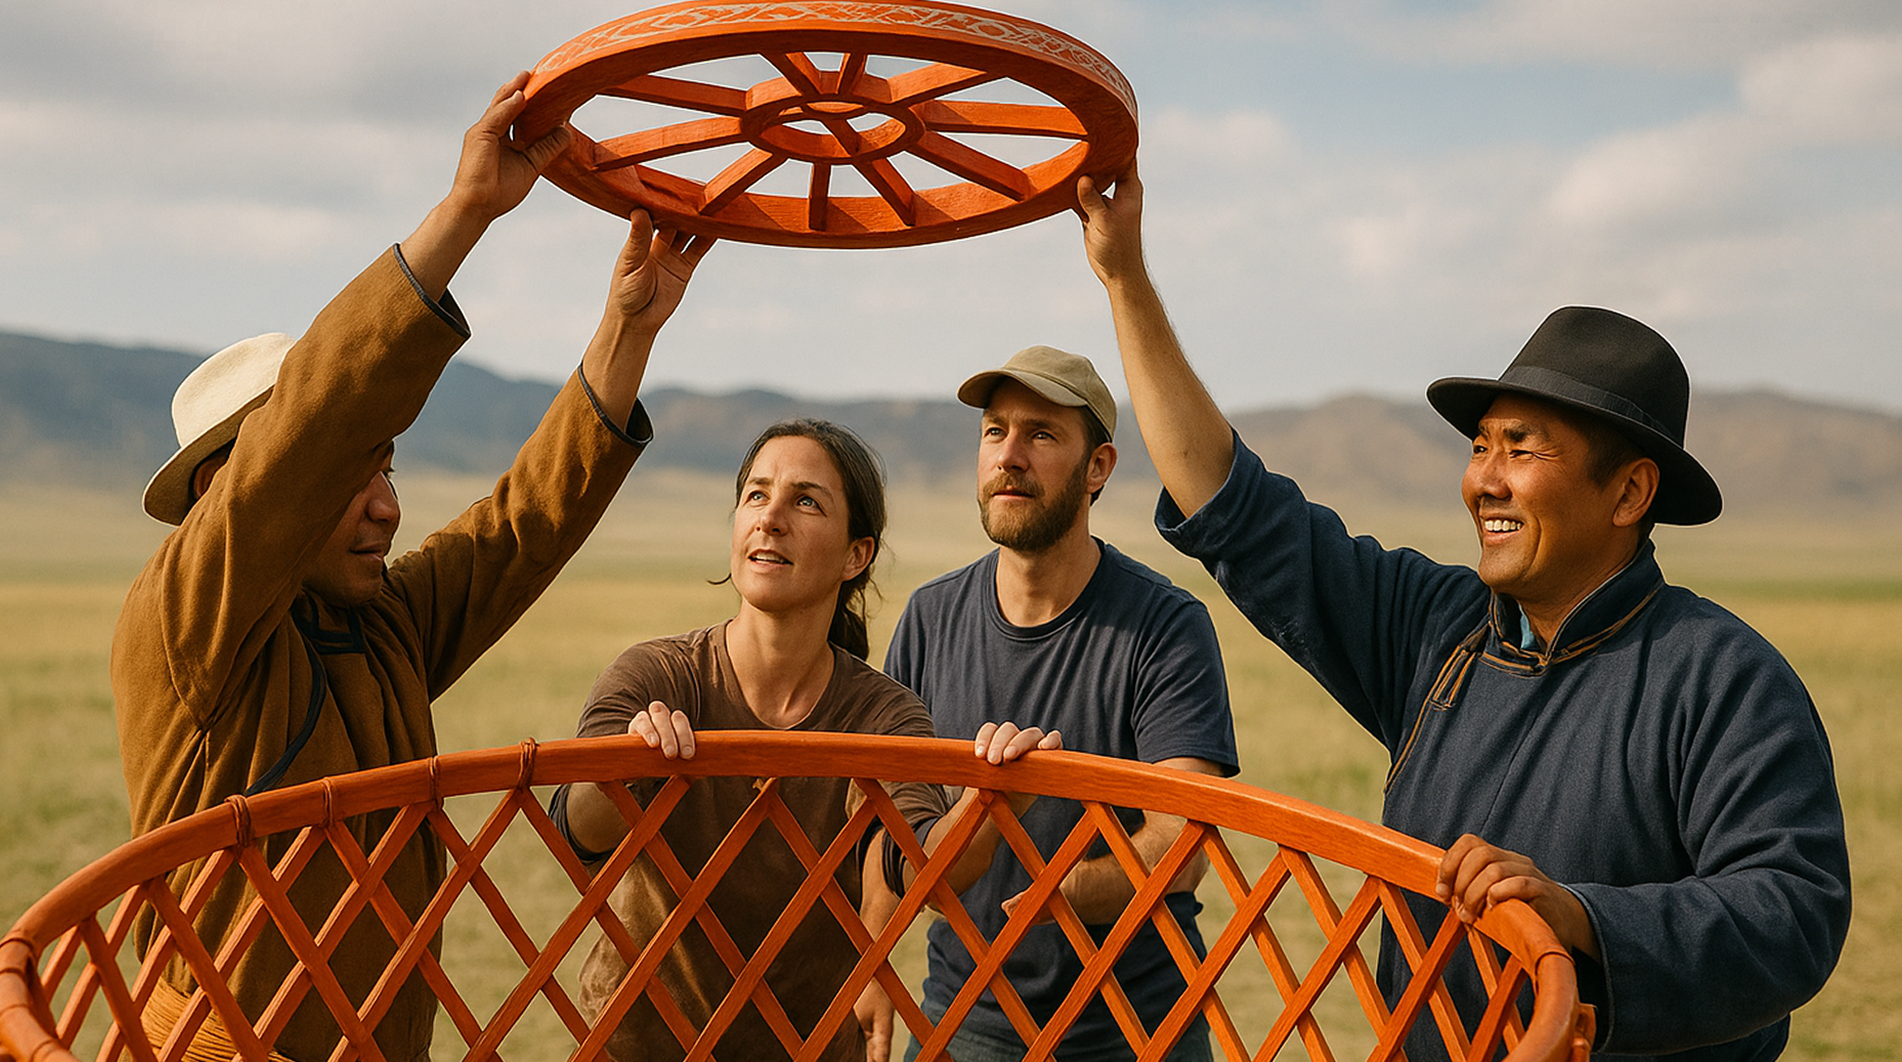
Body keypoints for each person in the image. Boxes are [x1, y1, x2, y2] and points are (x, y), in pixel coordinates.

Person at [1073, 163, 1850, 1060]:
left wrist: (1583, 917)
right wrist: (1126, 279)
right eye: (1481, 446)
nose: (1484, 479)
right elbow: (1237, 513)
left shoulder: (1718, 675)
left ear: (1630, 491)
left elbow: (1792, 912)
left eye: (1522, 448)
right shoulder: (1435, 629)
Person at [111, 72, 714, 1062]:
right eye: (353, 476)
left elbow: (521, 527)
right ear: (237, 491)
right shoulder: (188, 622)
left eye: (388, 470)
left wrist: (629, 327)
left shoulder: (378, 619)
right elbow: (317, 423)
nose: (387, 506)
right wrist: (468, 209)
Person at [549, 418, 1063, 1062]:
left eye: (806, 501)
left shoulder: (885, 715)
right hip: (637, 1046)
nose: (770, 519)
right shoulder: (657, 676)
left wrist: (990, 803)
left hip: (807, 1049)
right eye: (757, 496)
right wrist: (625, 767)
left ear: (857, 554)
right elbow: (576, 827)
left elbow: (925, 871)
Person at [882, 346, 1239, 1061]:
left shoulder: (1164, 626)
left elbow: (1186, 838)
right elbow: (893, 830)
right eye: (995, 431)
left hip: (1138, 1026)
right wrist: (867, 965)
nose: (1009, 455)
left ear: (1098, 467)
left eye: (1041, 434)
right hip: (965, 1019)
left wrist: (1071, 893)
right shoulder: (929, 618)